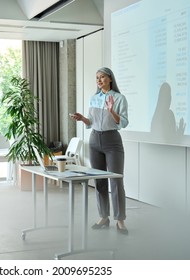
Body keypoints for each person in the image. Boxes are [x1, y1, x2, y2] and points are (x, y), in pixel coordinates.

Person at [71, 67, 129, 235]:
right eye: (97, 77)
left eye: (102, 77)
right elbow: (92, 121)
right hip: (95, 140)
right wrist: (82, 119)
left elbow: (123, 123)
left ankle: (120, 220)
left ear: (110, 78)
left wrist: (111, 110)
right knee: (98, 180)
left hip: (112, 141)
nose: (99, 80)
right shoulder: (94, 98)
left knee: (116, 181)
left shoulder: (119, 98)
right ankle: (104, 216)